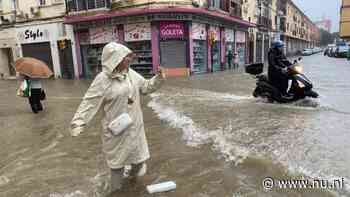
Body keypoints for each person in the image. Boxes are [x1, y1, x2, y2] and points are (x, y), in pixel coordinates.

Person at [70, 42, 165, 195]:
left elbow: (146, 87)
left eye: (129, 58)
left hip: (135, 127)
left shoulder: (131, 74)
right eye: (126, 58)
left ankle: (132, 182)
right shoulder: (103, 80)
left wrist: (159, 78)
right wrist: (78, 122)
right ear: (115, 59)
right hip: (116, 131)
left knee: (139, 160)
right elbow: (89, 101)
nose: (129, 60)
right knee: (117, 166)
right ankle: (117, 192)